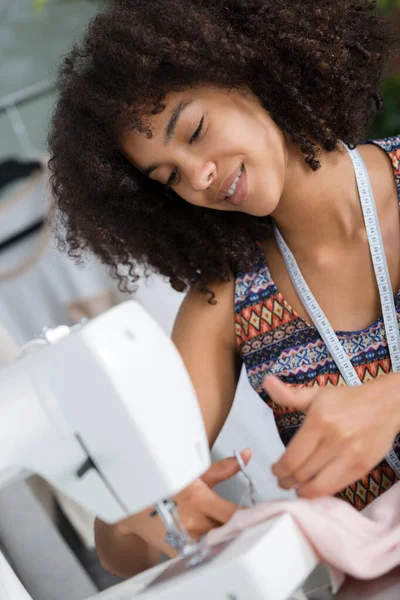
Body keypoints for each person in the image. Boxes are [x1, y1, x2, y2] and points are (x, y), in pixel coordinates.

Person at [48, 0, 400, 579]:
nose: (199, 177)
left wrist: (387, 397)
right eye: (169, 177)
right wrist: (153, 512)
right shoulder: (228, 303)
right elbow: (116, 552)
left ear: (254, 71)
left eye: (195, 131)